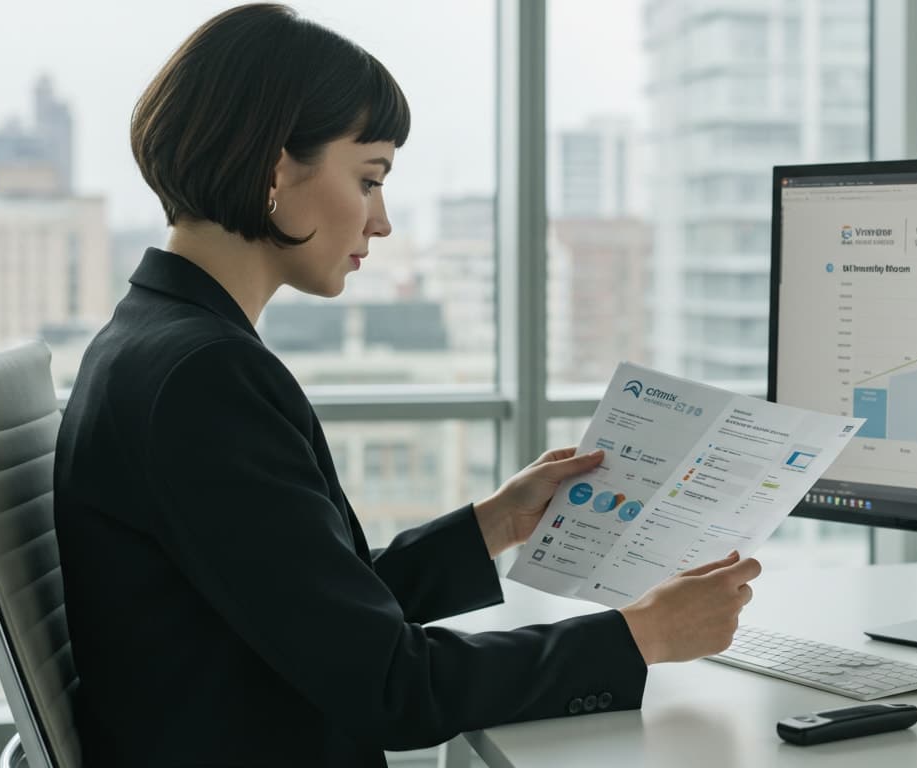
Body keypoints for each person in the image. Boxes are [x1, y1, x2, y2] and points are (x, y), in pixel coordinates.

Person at [52, 4, 760, 766]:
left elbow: (316, 615)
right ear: (277, 166)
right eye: (369, 178)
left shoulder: (153, 340)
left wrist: (493, 523)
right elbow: (390, 687)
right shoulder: (203, 378)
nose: (381, 221)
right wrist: (643, 634)